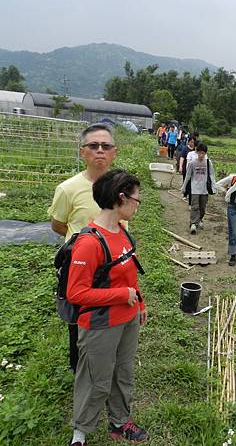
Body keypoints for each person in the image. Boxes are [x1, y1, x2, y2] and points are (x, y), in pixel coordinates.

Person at [66, 169, 148, 446]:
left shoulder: (123, 233)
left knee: (123, 374)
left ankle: (119, 421)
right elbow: (76, 293)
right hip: (100, 324)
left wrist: (140, 302)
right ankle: (80, 433)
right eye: (137, 199)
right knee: (95, 380)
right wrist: (120, 295)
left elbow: (130, 275)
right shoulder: (89, 242)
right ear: (121, 198)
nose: (138, 205)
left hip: (128, 318)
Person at [48, 123, 118, 372]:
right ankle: (79, 368)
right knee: (79, 320)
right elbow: (58, 225)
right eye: (93, 145)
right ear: (82, 152)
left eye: (106, 146)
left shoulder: (121, 186)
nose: (100, 150)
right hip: (82, 268)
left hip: (114, 267)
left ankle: (105, 363)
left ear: (114, 152)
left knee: (111, 317)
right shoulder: (68, 189)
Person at [181, 142, 216, 234]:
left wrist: (214, 186)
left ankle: (200, 219)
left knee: (202, 208)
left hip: (204, 189)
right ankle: (193, 223)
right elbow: (188, 176)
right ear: (197, 152)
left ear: (205, 153)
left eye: (203, 153)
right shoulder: (192, 163)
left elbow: (212, 174)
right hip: (195, 188)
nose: (201, 155)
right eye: (199, 153)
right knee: (194, 206)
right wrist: (184, 187)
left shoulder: (208, 163)